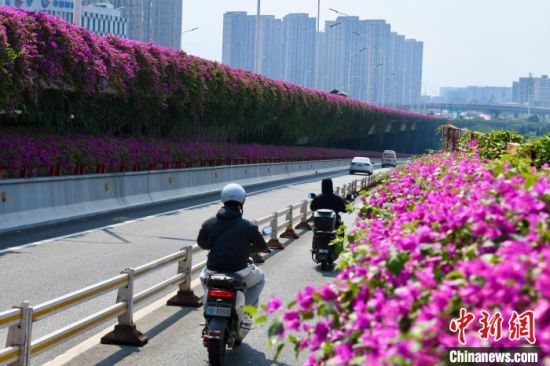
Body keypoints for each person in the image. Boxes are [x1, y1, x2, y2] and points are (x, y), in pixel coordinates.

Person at [197, 183, 269, 307]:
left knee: (203, 277)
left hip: (212, 270)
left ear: (223, 199)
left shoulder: (208, 224)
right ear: (242, 202)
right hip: (240, 272)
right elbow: (261, 246)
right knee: (260, 278)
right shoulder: (248, 226)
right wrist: (248, 250)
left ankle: (209, 304)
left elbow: (202, 244)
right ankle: (247, 312)